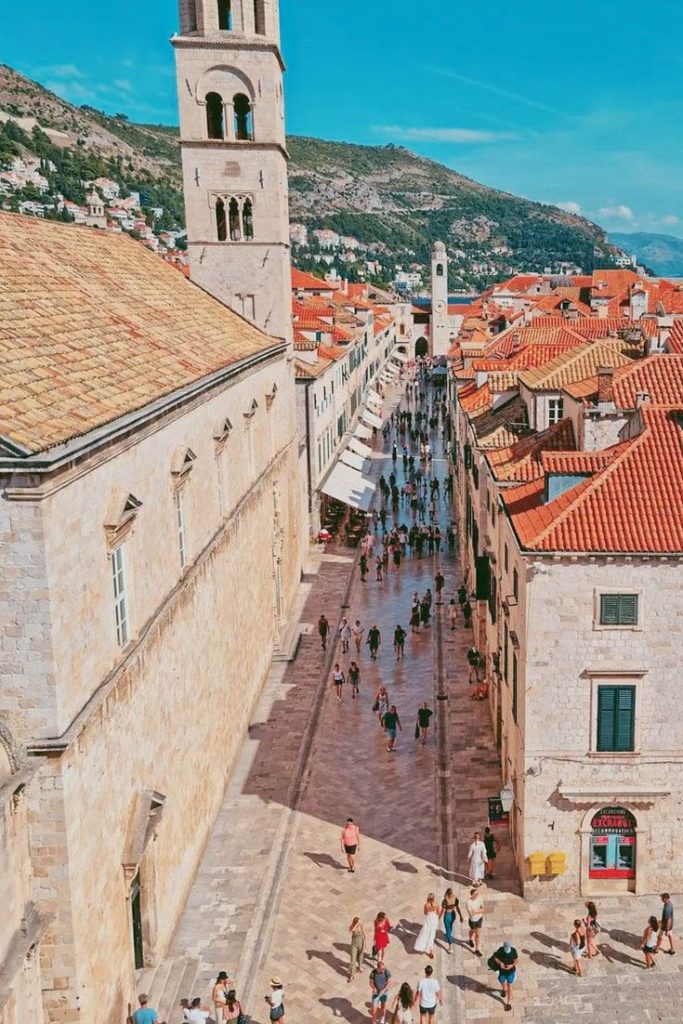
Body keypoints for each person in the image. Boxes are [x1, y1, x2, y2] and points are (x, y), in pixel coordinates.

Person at [492, 941, 518, 1012]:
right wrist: (500, 963)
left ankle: (508, 1003)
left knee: (510, 987)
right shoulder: (500, 950)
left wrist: (511, 965)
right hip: (502, 972)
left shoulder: (513, 951)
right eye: (506, 948)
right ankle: (504, 990)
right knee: (502, 981)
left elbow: (517, 960)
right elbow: (495, 958)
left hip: (511, 972)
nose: (507, 950)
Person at [414, 894, 440, 958]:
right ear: (434, 898)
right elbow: (438, 913)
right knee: (432, 935)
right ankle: (431, 951)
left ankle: (425, 947)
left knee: (425, 934)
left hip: (428, 919)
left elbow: (425, 913)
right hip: (434, 919)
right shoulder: (436, 904)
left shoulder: (426, 905)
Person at [440, 888, 463, 954]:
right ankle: (448, 935)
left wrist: (438, 918)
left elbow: (442, 911)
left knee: (448, 930)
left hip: (447, 916)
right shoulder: (455, 899)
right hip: (453, 915)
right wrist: (461, 916)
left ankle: (450, 948)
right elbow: (457, 908)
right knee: (450, 926)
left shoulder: (445, 901)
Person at [466, 888, 484, 957]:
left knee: (478, 934)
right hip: (473, 920)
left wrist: (475, 911)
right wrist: (479, 910)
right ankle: (470, 939)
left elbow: (483, 909)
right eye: (476, 894)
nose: (477, 895)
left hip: (479, 919)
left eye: (477, 894)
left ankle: (477, 950)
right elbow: (471, 914)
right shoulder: (468, 903)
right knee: (472, 930)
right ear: (472, 895)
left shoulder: (479, 899)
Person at [348, 916, 366, 981]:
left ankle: (360, 967)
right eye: (356, 921)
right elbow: (352, 930)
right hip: (354, 944)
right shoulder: (352, 926)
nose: (358, 922)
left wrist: (365, 943)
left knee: (360, 956)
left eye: (358, 921)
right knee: (353, 959)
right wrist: (357, 924)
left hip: (361, 943)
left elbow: (364, 935)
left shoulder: (361, 926)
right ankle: (352, 974)